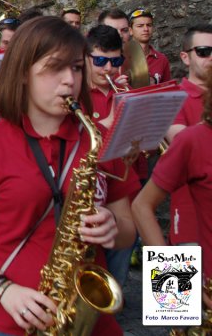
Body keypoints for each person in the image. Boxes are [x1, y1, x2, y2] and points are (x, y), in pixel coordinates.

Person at [0, 16, 138, 336]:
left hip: (89, 321)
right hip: (9, 319)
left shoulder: (98, 139)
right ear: (22, 74)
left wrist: (113, 229)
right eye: (54, 68)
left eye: (75, 67)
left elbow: (129, 230)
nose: (69, 81)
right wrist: (3, 289)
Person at [131, 69, 212, 311]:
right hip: (202, 281)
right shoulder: (195, 139)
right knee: (176, 313)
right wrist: (175, 286)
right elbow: (140, 206)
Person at [84, 25, 137, 287]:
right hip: (99, 193)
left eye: (115, 62)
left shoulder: (126, 94)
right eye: (101, 61)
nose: (108, 69)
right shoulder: (78, 94)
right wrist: (111, 121)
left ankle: (176, 322)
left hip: (133, 184)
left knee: (121, 266)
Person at [162, 24, 212, 246]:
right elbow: (187, 146)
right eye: (203, 52)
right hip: (187, 218)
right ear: (185, 57)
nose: (210, 58)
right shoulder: (172, 97)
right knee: (171, 282)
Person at [129, 8, 171, 84]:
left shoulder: (162, 59)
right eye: (140, 26)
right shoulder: (121, 59)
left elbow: (168, 91)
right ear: (130, 30)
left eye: (149, 25)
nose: (146, 29)